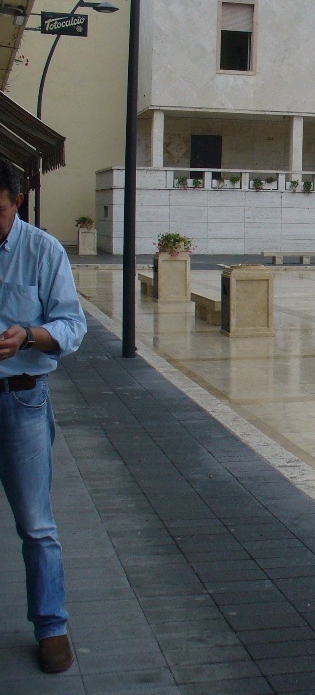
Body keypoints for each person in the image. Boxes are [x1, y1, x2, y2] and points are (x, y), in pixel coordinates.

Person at [0, 157, 86, 673]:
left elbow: (73, 327)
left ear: (17, 203)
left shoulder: (43, 250)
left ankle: (52, 626)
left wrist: (28, 334)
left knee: (36, 523)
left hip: (23, 398)